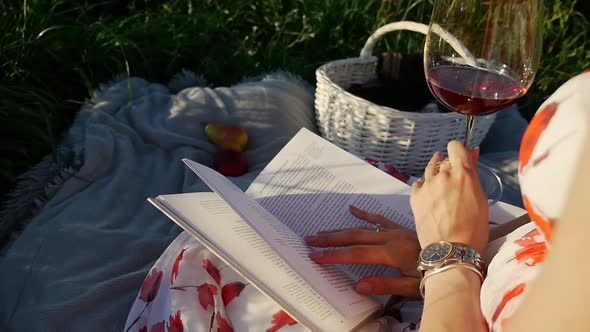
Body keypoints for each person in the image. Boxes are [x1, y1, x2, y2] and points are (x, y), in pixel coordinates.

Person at [124, 71, 590, 331]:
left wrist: (451, 260)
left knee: (208, 264)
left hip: (457, 301)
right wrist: (447, 258)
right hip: (473, 278)